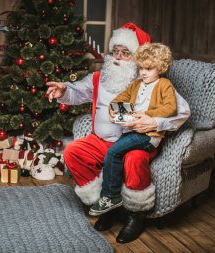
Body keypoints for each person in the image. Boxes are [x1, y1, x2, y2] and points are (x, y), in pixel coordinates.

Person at [46, 23, 190, 243]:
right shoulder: (99, 78)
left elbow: (181, 111)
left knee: (133, 159)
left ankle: (136, 216)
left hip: (136, 142)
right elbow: (76, 92)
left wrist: (155, 121)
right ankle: (106, 206)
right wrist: (64, 90)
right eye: (115, 51)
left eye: (125, 53)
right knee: (73, 151)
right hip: (100, 141)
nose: (117, 58)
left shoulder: (149, 80)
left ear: (139, 58)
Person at [89, 42, 177, 216]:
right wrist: (114, 111)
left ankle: (111, 196)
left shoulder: (164, 84)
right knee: (117, 156)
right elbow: (118, 100)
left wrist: (146, 113)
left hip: (148, 136)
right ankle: (113, 200)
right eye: (141, 68)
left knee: (112, 153)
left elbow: (171, 107)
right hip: (132, 132)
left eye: (149, 68)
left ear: (160, 67)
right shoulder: (136, 85)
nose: (144, 72)